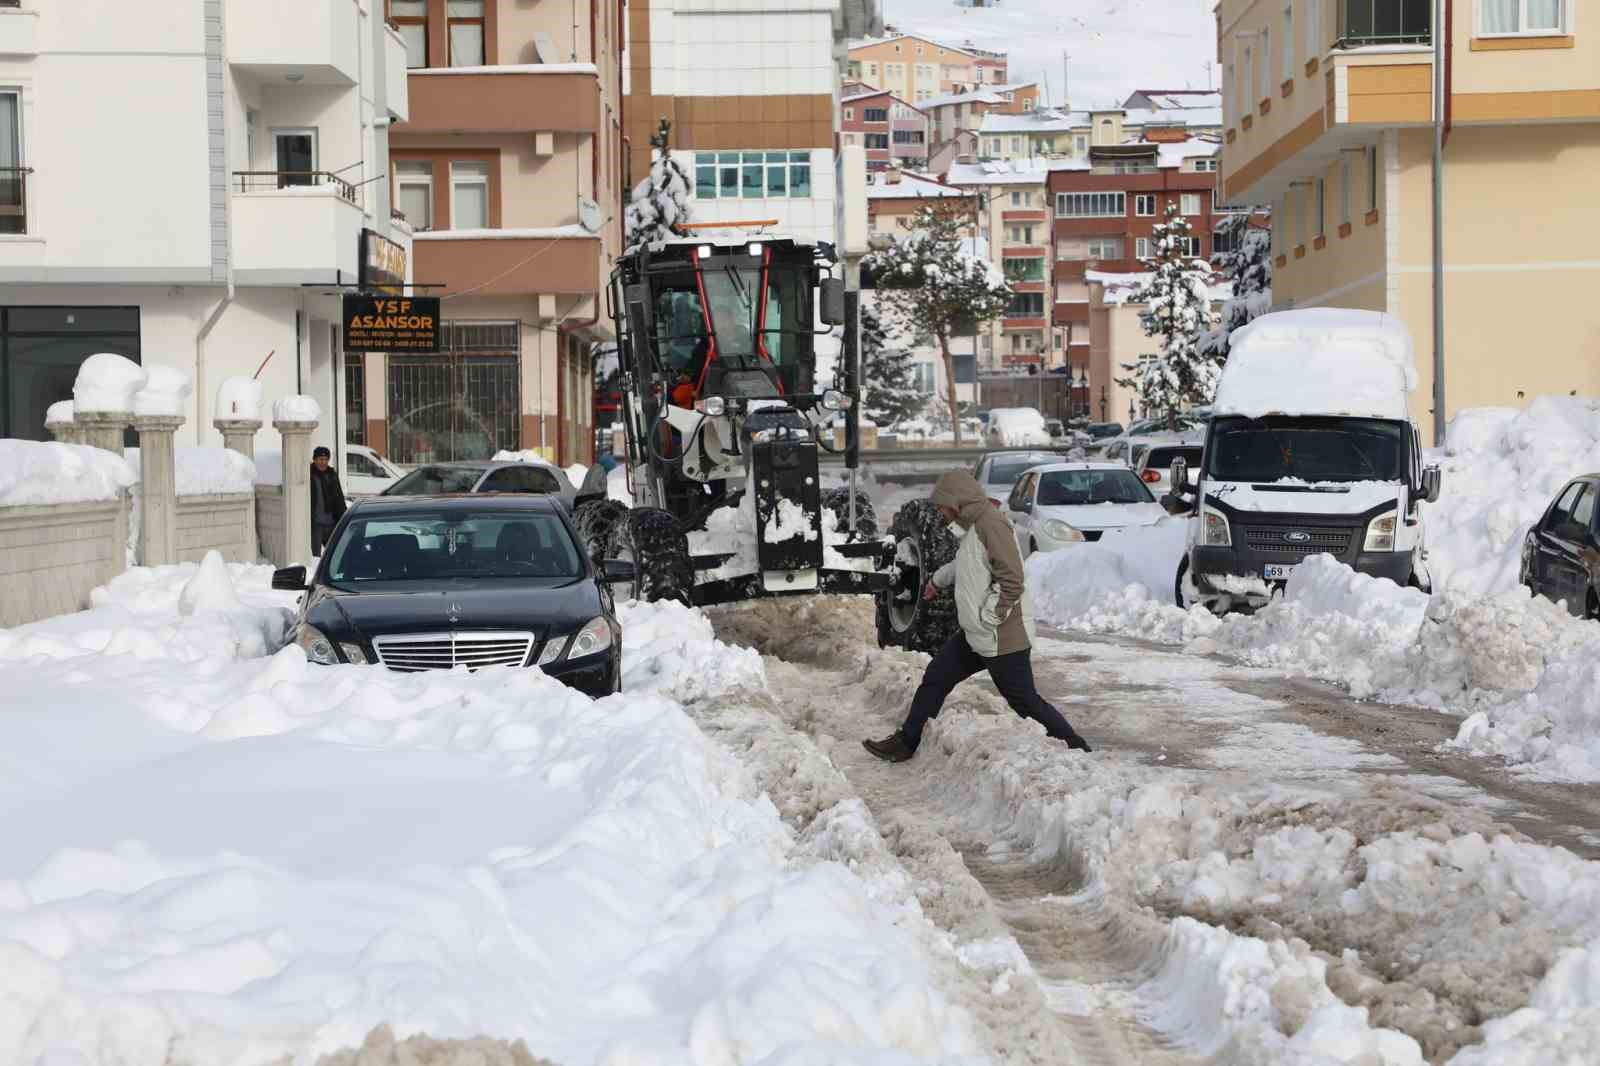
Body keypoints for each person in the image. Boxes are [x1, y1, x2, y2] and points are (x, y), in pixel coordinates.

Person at [863, 471, 1091, 763]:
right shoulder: (973, 528)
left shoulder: (992, 525)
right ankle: (906, 742)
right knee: (935, 677)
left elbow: (1011, 580)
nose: (941, 512)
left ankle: (1078, 750)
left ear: (957, 502)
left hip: (1001, 637)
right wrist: (936, 581)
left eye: (944, 505)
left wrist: (988, 617)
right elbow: (967, 564)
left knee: (1025, 702)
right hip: (976, 635)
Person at [309, 446, 348, 556]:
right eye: (321, 459)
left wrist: (343, 517)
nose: (323, 462)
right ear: (315, 460)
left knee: (334, 554)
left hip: (331, 522)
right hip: (316, 524)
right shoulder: (310, 475)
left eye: (326, 459)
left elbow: (339, 498)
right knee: (315, 555)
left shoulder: (332, 475)